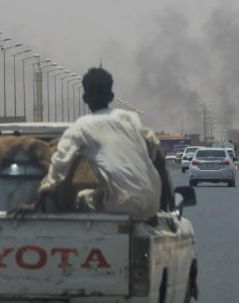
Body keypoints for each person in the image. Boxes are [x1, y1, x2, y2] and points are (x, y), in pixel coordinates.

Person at [11, 67, 162, 220]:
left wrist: (35, 205)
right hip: (154, 202)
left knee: (83, 198)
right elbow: (155, 147)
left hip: (121, 205)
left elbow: (58, 166)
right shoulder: (131, 118)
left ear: (85, 98)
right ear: (111, 96)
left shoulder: (81, 127)